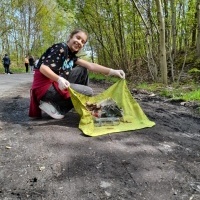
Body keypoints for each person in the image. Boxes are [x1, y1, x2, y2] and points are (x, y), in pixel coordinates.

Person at [29, 29, 125, 119]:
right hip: (45, 87)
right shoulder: (61, 48)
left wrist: (113, 71)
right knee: (88, 92)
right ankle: (58, 107)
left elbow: (91, 65)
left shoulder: (71, 55)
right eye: (78, 38)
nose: (79, 42)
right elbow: (43, 68)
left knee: (83, 69)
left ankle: (74, 104)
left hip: (54, 83)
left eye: (83, 42)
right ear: (70, 37)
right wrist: (59, 79)